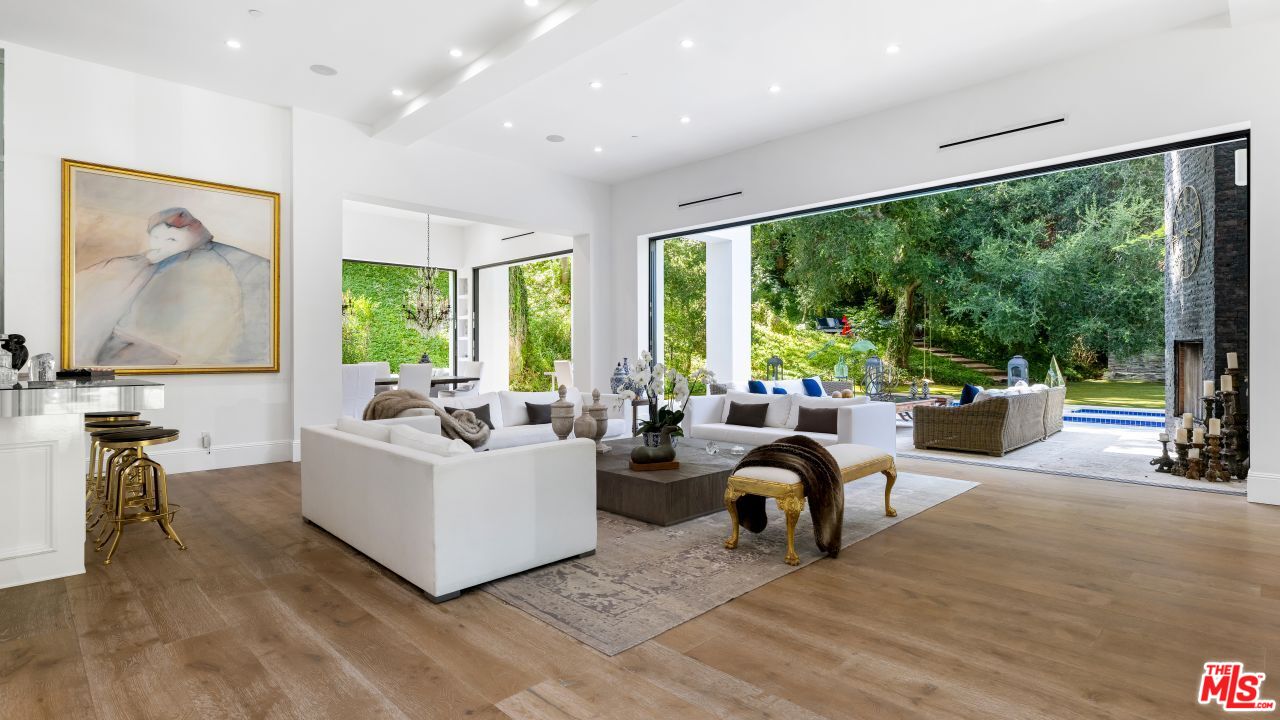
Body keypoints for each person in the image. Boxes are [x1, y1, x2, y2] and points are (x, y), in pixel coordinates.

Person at [75, 207, 271, 366]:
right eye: (156, 237)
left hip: (162, 345)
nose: (161, 245)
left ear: (194, 237)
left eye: (171, 239)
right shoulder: (140, 262)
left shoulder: (205, 264)